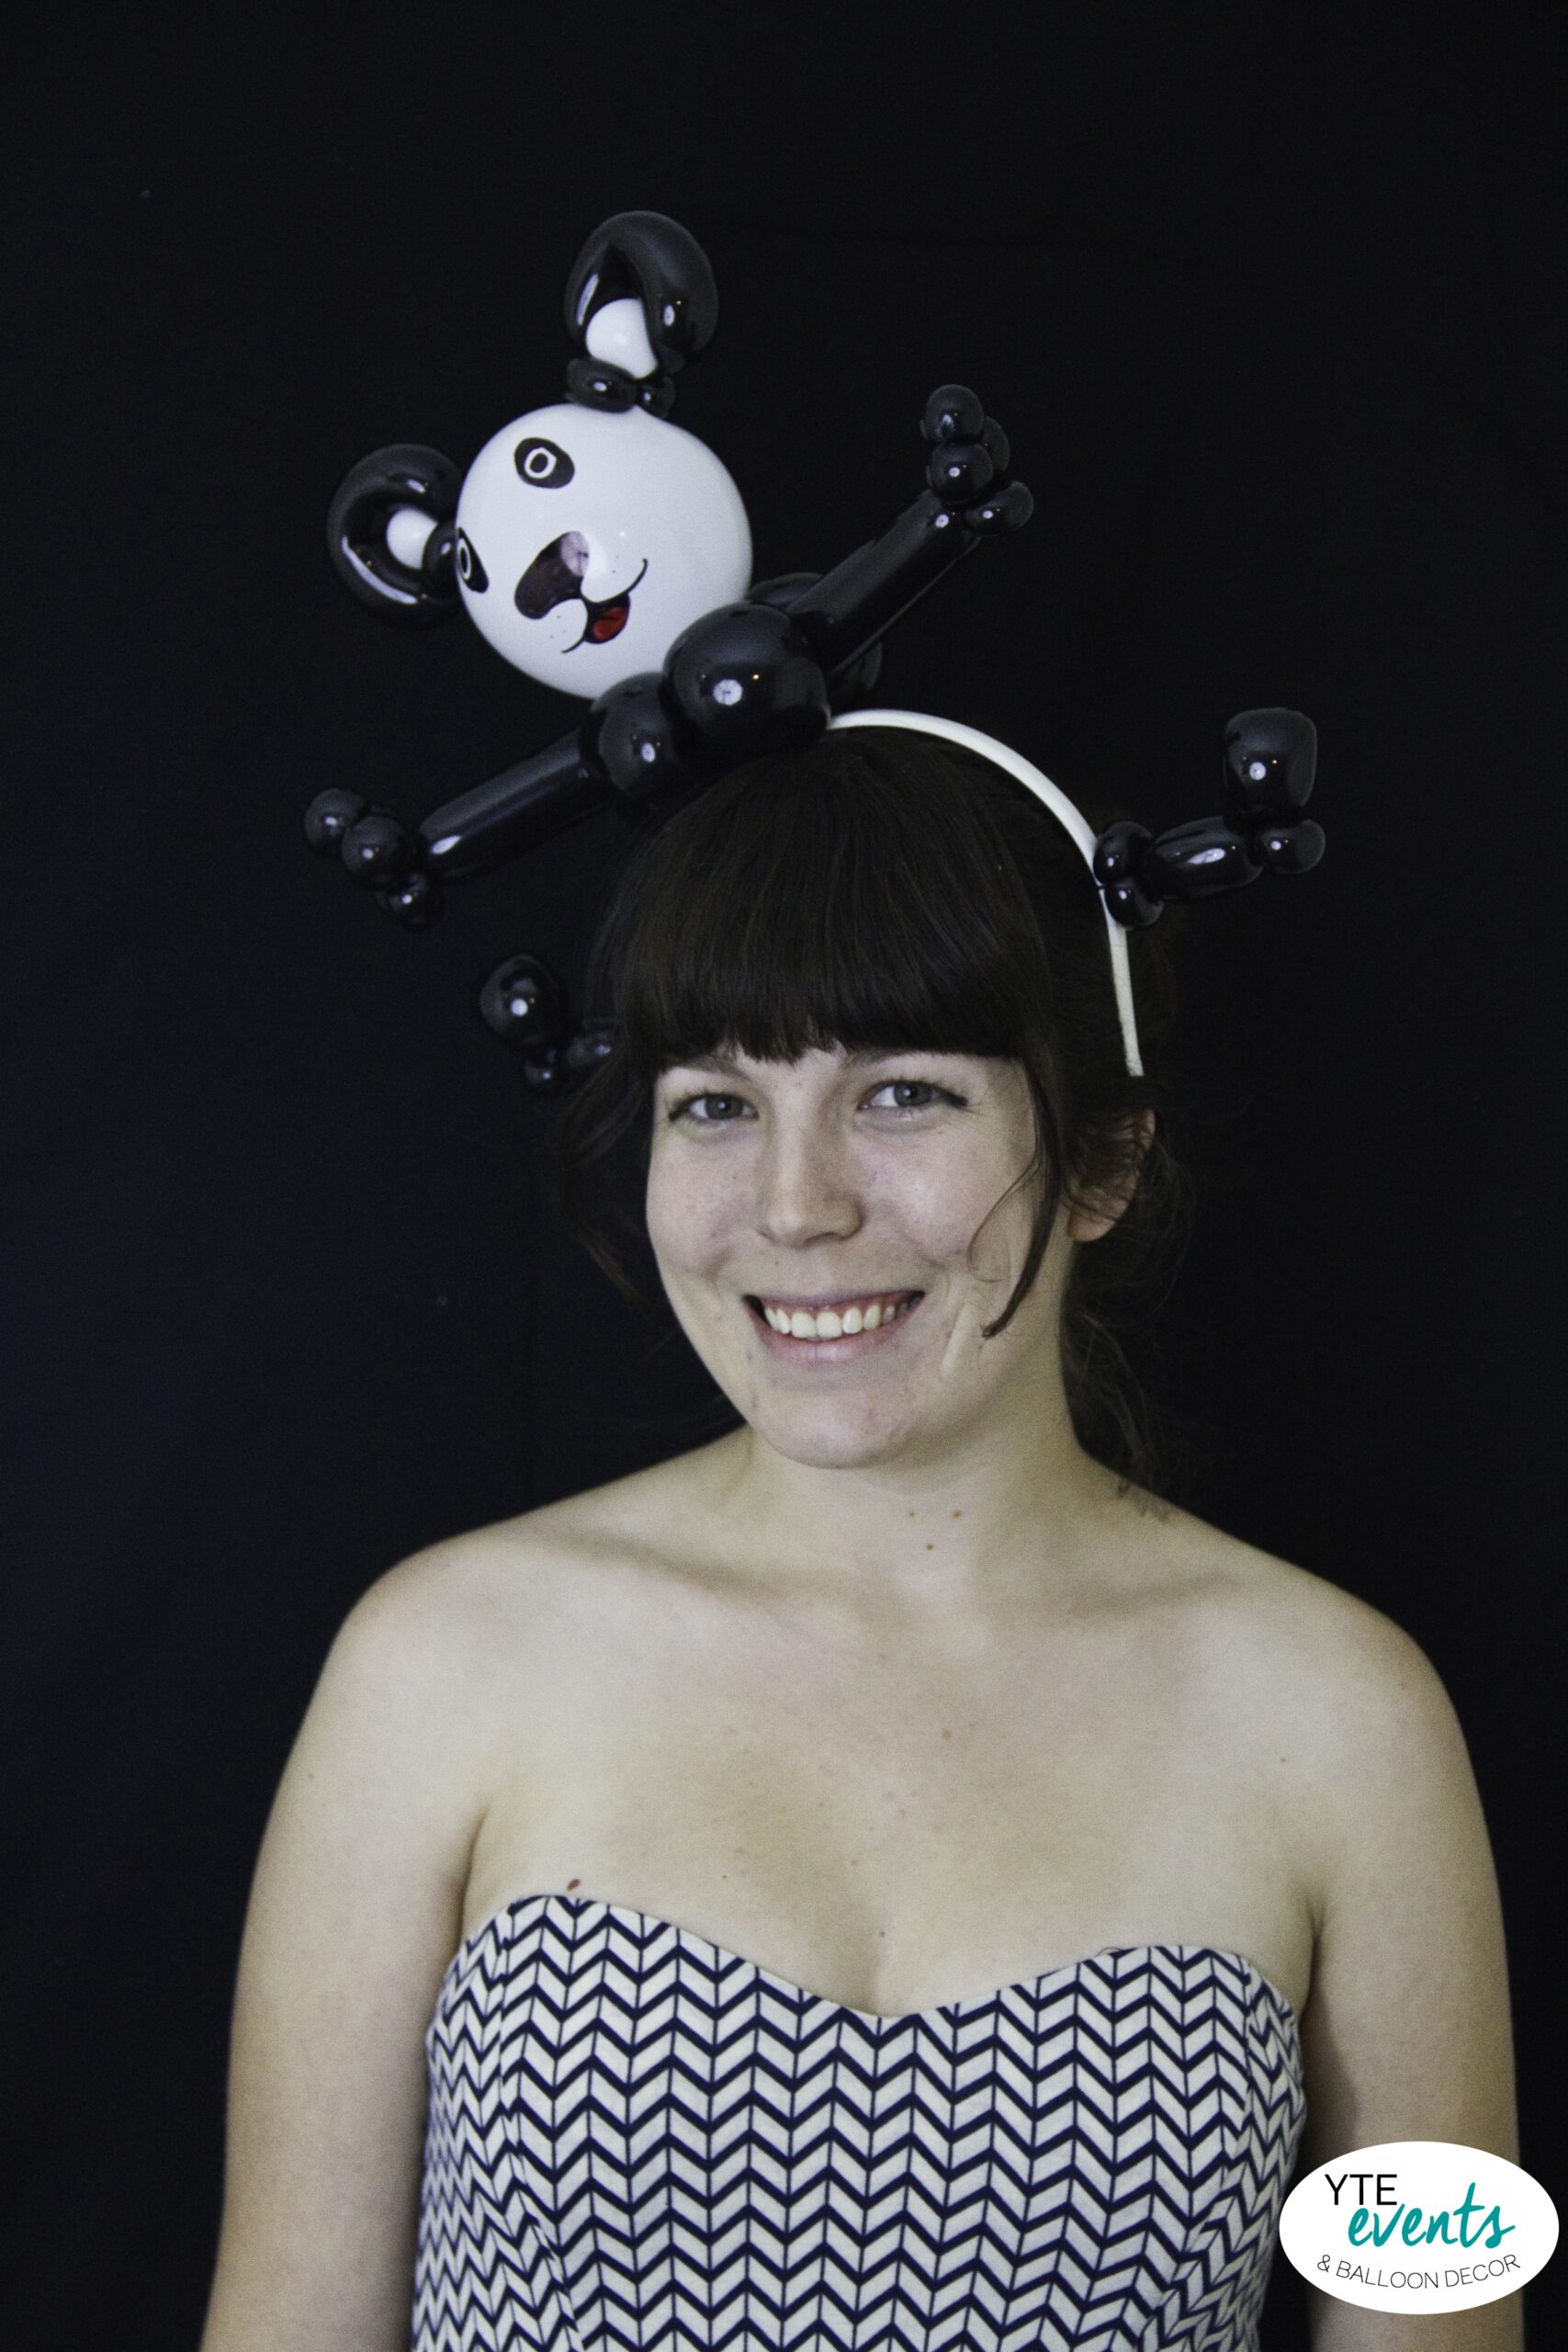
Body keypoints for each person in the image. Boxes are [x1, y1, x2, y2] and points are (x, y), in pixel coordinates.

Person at [199, 723, 1519, 2351]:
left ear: (1105, 1155)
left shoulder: (1343, 1720)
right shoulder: (443, 1666)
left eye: (903, 1091)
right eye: (713, 1106)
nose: (797, 1206)